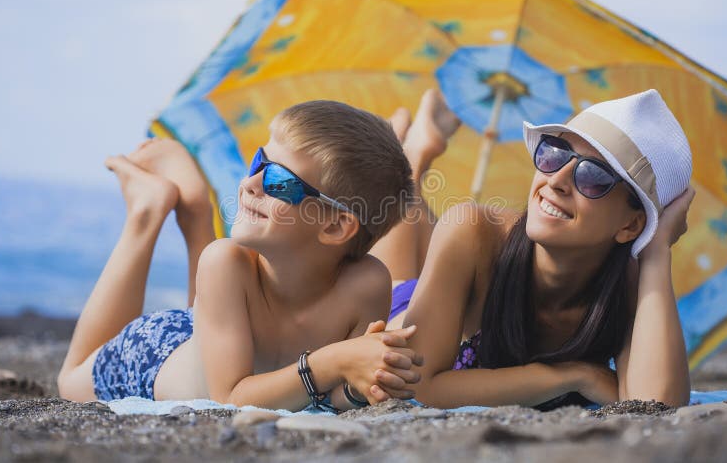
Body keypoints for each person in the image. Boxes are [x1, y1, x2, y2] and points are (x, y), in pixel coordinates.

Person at [57, 100, 424, 411]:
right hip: (151, 355)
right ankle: (147, 213)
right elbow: (230, 399)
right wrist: (332, 362)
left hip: (215, 335)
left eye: (278, 180)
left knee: (211, 320)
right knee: (69, 382)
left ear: (334, 227)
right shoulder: (224, 262)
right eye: (258, 163)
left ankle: (194, 212)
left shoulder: (367, 284)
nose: (250, 184)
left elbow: (341, 391)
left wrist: (367, 384)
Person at [371, 88, 694, 409]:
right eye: (555, 153)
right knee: (392, 277)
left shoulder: (628, 284)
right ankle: (412, 157)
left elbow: (656, 405)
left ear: (630, 226)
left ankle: (413, 154)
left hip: (455, 291)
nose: (556, 180)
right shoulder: (472, 229)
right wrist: (572, 375)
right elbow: (420, 387)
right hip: (408, 310)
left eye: (593, 176)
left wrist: (656, 253)